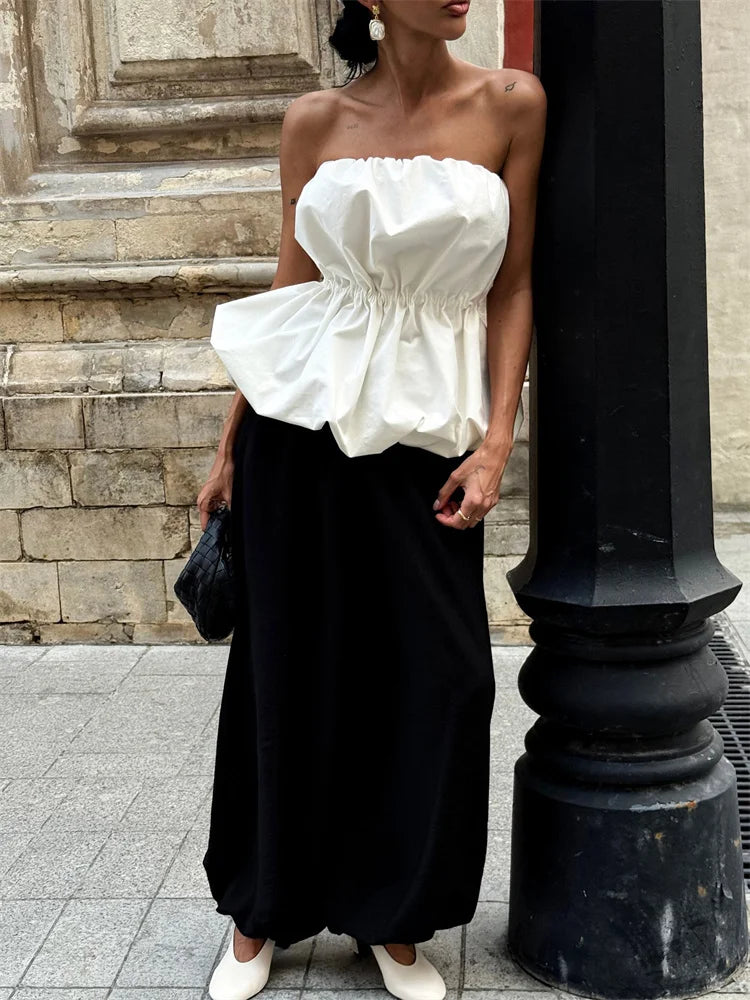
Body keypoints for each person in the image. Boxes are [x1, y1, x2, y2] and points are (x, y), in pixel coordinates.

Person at [197, 2, 546, 999]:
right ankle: (260, 914)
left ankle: (392, 915)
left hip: (429, 435)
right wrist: (229, 443)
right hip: (298, 431)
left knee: (440, 676)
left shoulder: (511, 103)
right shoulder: (313, 121)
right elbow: (290, 282)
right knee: (286, 666)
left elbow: (513, 285)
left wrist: (497, 437)